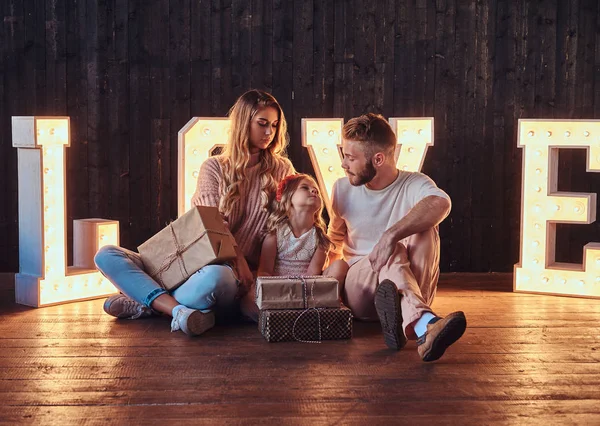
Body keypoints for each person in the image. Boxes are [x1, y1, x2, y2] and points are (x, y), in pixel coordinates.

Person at [95, 89, 295, 336]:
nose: (269, 132)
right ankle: (176, 310)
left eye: (274, 126)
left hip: (228, 276)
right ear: (244, 123)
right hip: (188, 263)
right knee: (106, 255)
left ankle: (150, 302)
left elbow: (282, 227)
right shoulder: (213, 167)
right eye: (262, 124)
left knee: (216, 278)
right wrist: (239, 259)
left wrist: (251, 270)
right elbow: (212, 225)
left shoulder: (282, 169)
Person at [324, 113, 466, 362]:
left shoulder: (414, 183)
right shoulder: (341, 189)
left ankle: (409, 318)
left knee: (425, 227)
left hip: (410, 282)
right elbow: (333, 241)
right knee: (395, 249)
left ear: (378, 159)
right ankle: (424, 324)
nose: (344, 164)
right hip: (361, 286)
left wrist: (390, 235)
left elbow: (441, 203)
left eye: (350, 157)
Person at [257, 173, 348, 283]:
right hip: (276, 291)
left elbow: (312, 276)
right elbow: (264, 272)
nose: (314, 191)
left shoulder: (321, 240)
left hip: (306, 289)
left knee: (340, 265)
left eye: (317, 191)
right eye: (305, 187)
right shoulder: (275, 234)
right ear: (288, 197)